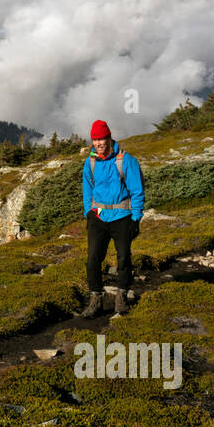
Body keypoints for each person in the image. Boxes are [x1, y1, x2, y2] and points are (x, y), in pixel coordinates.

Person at [79, 119, 144, 317]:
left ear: (109, 138)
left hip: (122, 216)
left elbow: (137, 191)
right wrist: (88, 213)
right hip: (98, 217)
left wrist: (136, 217)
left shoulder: (125, 160)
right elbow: (87, 189)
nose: (98, 143)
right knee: (93, 259)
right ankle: (95, 299)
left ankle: (121, 297)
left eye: (101, 139)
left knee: (123, 257)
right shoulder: (90, 161)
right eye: (95, 139)